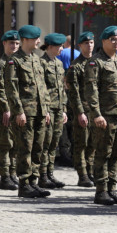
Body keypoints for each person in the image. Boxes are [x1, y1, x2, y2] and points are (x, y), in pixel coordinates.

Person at [84, 26, 117, 205]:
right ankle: (101, 191)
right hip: (105, 116)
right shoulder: (95, 62)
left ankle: (112, 189)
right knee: (103, 153)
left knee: (116, 153)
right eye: (113, 39)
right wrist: (96, 114)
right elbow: (91, 90)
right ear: (104, 41)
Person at [4, 25, 53, 199]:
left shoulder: (36, 60)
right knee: (25, 148)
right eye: (35, 38)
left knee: (38, 148)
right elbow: (12, 89)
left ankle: (34, 181)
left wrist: (46, 109)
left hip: (39, 112)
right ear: (25, 40)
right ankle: (24, 184)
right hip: (25, 112)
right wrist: (18, 111)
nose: (39, 41)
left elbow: (43, 88)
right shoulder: (14, 61)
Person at [66, 31, 96, 187]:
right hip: (83, 110)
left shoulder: (97, 62)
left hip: (95, 110)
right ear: (80, 46)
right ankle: (82, 174)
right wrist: (79, 112)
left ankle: (90, 171)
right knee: (81, 143)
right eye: (86, 43)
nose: (89, 45)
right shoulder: (75, 66)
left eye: (91, 42)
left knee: (93, 143)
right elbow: (73, 92)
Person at [0, 30, 21, 190]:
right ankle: (4, 176)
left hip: (17, 110)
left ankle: (12, 174)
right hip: (6, 111)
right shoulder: (1, 64)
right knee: (6, 144)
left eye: (17, 43)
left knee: (16, 144)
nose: (14, 46)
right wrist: (6, 108)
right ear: (4, 43)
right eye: (11, 43)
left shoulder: (17, 63)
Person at [39, 33, 69, 190]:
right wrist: (45, 110)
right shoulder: (41, 63)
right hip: (48, 109)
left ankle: (50, 173)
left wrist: (63, 109)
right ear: (50, 47)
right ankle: (42, 175)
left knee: (54, 143)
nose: (62, 49)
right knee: (46, 142)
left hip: (58, 108)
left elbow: (62, 89)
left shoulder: (58, 63)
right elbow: (41, 89)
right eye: (59, 46)